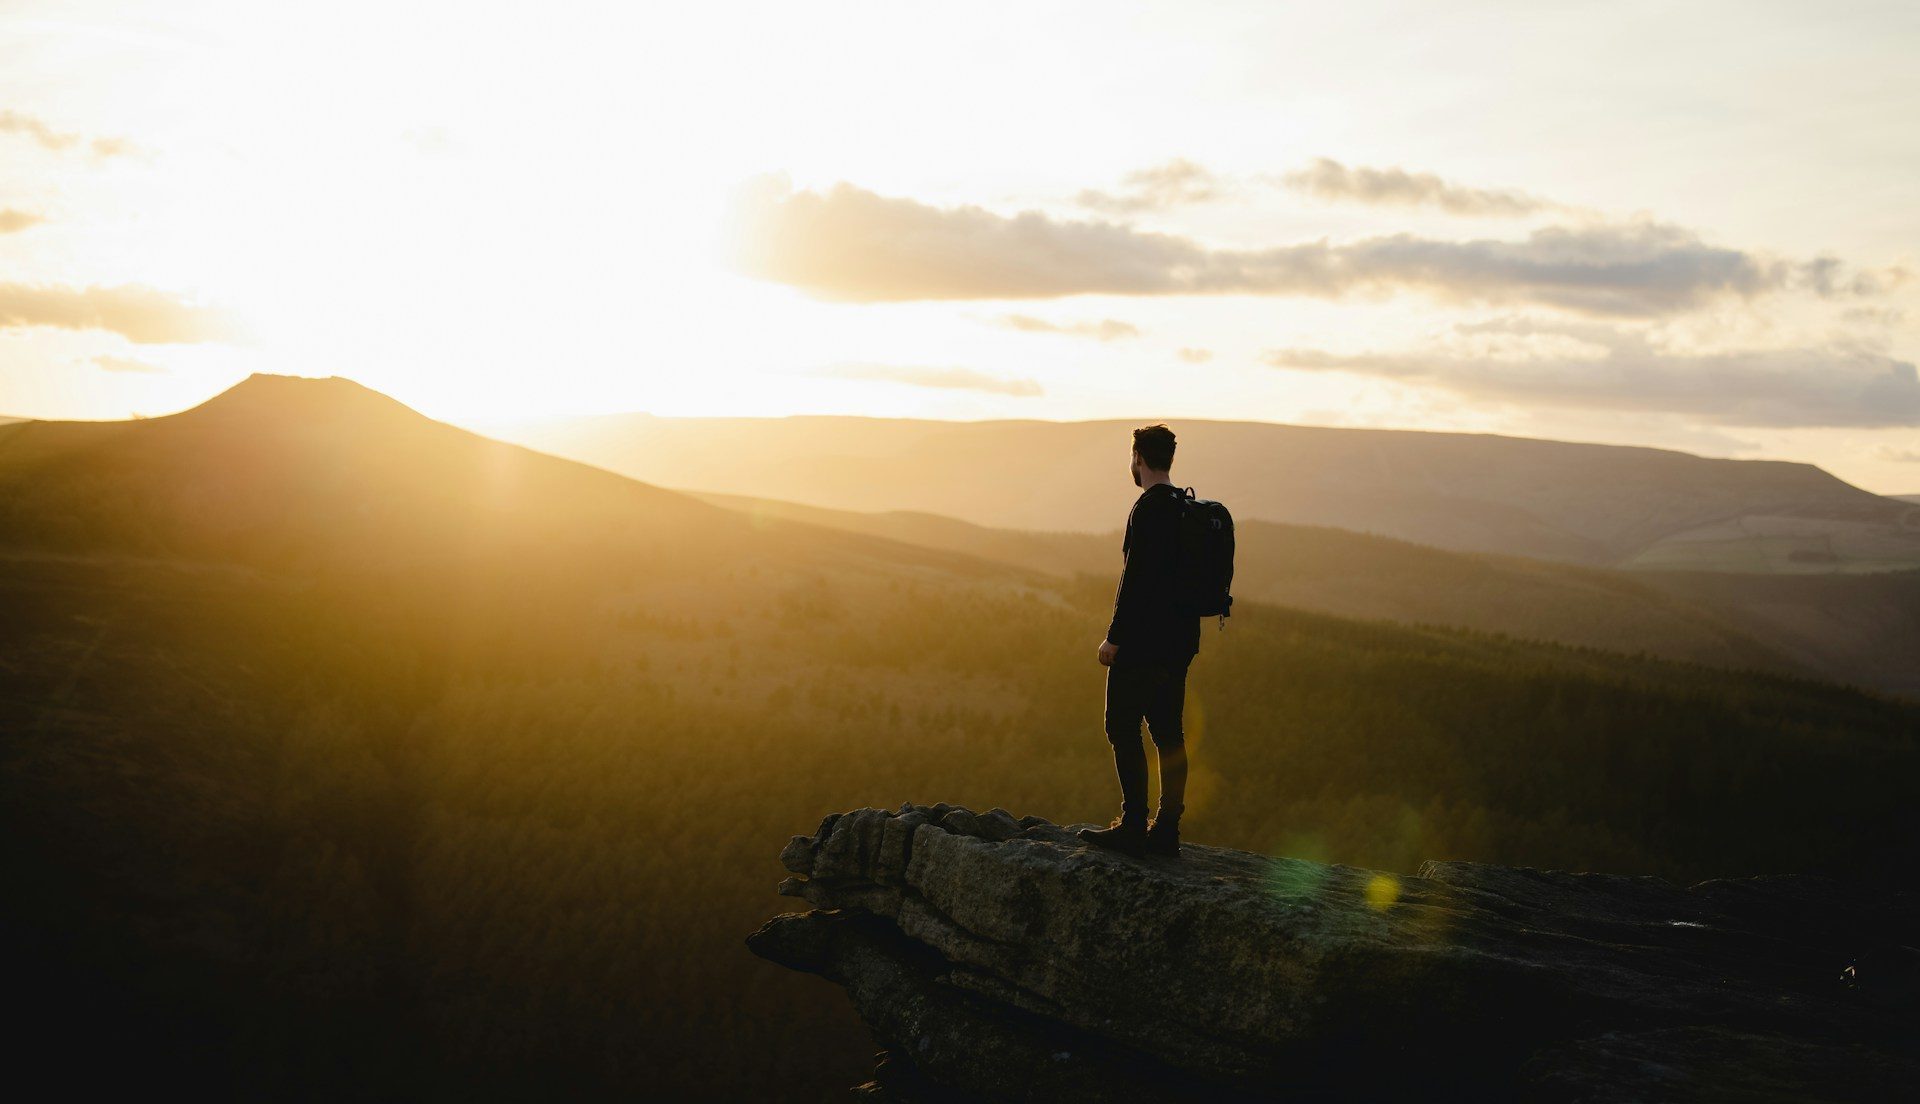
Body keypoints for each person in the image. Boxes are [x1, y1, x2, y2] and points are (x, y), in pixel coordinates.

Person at [1079, 424, 1201, 859]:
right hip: (1181, 641)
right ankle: (1167, 830)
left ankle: (1133, 825)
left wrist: (1114, 638)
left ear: (1138, 458)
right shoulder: (1185, 507)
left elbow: (1135, 580)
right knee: (1169, 733)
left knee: (1121, 726)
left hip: (1143, 642)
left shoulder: (1148, 509)